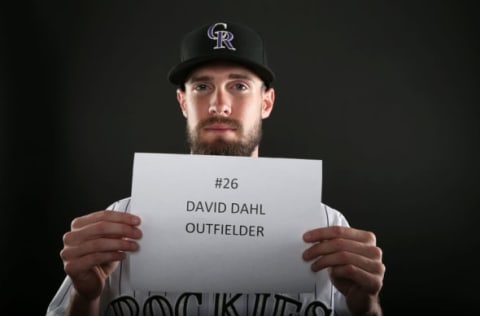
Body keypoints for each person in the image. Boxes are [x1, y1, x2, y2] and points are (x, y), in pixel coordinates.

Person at [46, 21, 385, 316]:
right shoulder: (117, 224)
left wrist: (366, 306)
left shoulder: (328, 228)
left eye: (239, 86)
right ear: (183, 102)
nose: (219, 104)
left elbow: (364, 310)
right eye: (201, 86)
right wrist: (84, 295)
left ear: (266, 102)